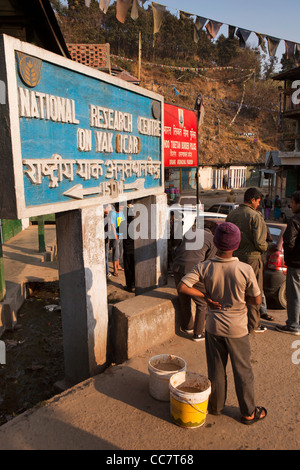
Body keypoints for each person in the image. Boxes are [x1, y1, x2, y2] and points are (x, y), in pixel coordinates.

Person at [177, 222, 267, 424]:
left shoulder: (204, 266)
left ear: (216, 243)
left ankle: (216, 406)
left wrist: (206, 297)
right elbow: (257, 300)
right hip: (237, 329)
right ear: (236, 244)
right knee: (243, 371)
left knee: (216, 370)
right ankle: (248, 412)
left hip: (213, 327)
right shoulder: (244, 269)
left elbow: (183, 286)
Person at [226, 187, 268, 333]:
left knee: (236, 291)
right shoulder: (255, 216)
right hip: (252, 259)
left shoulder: (232, 214)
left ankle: (235, 321)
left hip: (234, 258)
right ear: (252, 200)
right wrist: (266, 247)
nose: (258, 204)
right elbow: (260, 242)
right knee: (254, 292)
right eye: (258, 201)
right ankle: (253, 324)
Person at [173, 220, 217, 342]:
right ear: (213, 230)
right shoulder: (212, 239)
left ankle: (188, 327)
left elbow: (179, 250)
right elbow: (209, 262)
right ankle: (198, 334)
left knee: (184, 298)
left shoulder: (189, 232)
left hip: (177, 268)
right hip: (192, 271)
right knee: (202, 302)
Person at [276, 191, 300, 335]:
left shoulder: (295, 220)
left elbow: (289, 242)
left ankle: (293, 325)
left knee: (294, 294)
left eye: (292, 202)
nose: (290, 206)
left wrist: (289, 256)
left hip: (296, 264)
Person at [120, 201, 135, 292]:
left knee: (128, 268)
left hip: (127, 250)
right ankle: (134, 284)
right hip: (135, 249)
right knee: (134, 268)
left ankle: (129, 286)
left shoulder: (123, 223)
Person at [110, 202, 125, 277]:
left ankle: (118, 265)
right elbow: (112, 225)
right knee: (116, 252)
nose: (121, 209)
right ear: (116, 207)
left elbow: (123, 222)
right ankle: (115, 269)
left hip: (122, 235)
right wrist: (115, 235)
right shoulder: (113, 213)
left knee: (120, 251)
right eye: (120, 207)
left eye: (122, 207)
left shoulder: (121, 213)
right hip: (116, 235)